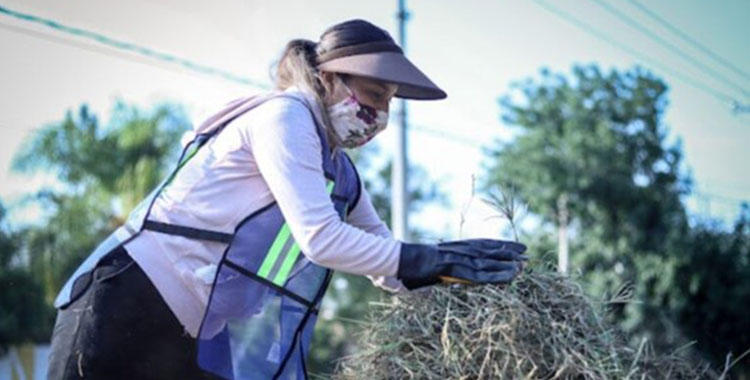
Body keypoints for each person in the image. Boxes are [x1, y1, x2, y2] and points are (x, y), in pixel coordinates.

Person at [47, 19, 528, 380]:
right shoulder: (286, 117)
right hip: (125, 301)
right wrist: (421, 258)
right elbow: (322, 240)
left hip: (193, 331)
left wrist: (450, 270)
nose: (381, 114)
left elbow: (385, 263)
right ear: (330, 79)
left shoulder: (339, 170)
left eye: (389, 102)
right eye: (374, 93)